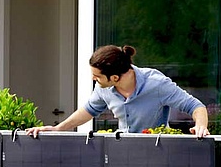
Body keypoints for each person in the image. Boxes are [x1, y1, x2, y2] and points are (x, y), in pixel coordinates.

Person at [26, 44, 209, 138]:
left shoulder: (156, 84)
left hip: (156, 153)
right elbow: (88, 110)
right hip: (122, 152)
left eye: (97, 76)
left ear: (114, 77)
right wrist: (58, 129)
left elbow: (196, 106)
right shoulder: (103, 88)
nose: (93, 80)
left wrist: (201, 126)